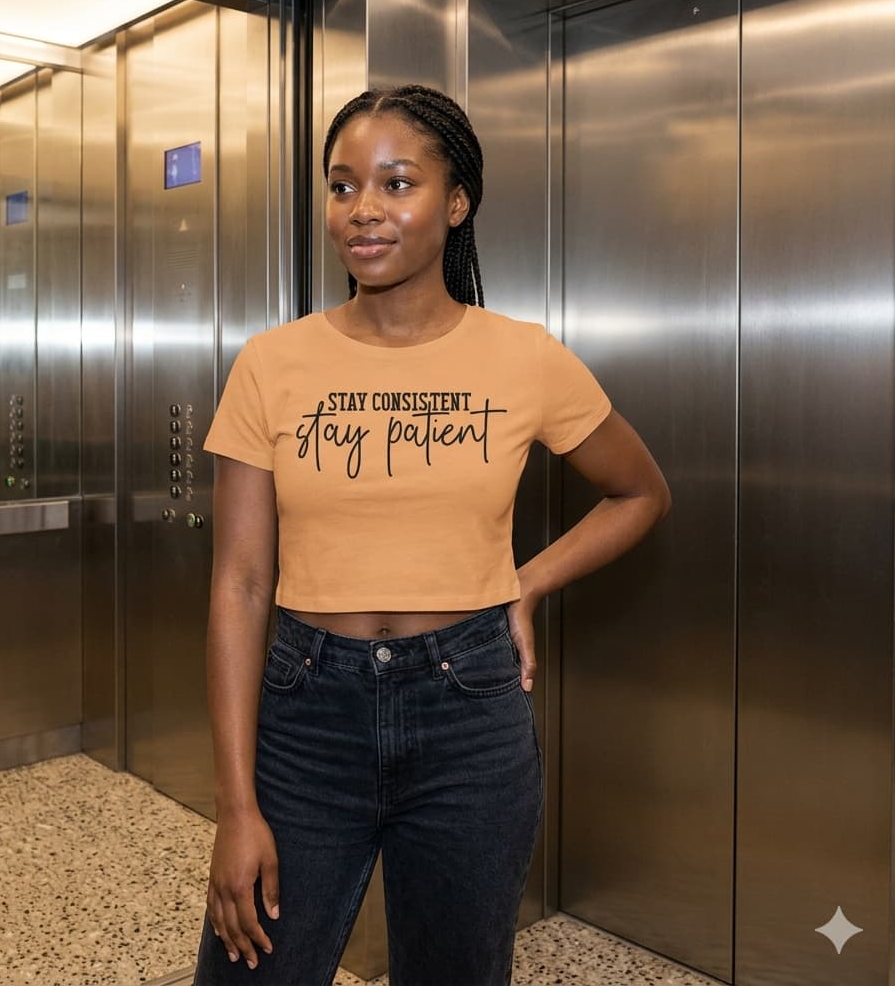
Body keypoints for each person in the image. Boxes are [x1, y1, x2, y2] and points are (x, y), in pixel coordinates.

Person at [193, 84, 670, 986]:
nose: (363, 211)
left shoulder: (526, 356)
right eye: (341, 187)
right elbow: (240, 585)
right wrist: (233, 805)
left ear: (455, 203)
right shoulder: (270, 363)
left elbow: (638, 493)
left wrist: (524, 583)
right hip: (306, 715)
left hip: (471, 714)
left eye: (396, 183)